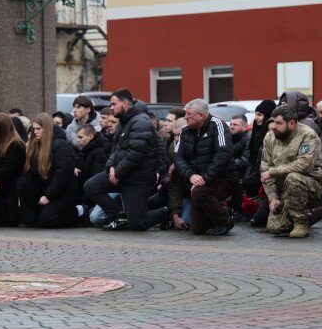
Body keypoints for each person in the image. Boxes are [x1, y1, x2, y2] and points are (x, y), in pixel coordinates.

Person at [84, 89, 167, 231]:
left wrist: (117, 173)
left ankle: (165, 211)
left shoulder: (141, 122)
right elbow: (115, 150)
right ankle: (119, 215)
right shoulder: (123, 122)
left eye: (114, 104)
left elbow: (135, 154)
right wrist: (111, 167)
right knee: (91, 186)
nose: (111, 107)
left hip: (138, 178)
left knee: (137, 224)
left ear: (125, 103)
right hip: (120, 173)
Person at [260, 105, 322, 238]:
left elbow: (304, 165)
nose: (274, 126)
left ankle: (301, 223)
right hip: (284, 188)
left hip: (313, 185)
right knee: (275, 228)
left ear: (292, 123)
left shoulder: (308, 135)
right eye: (274, 122)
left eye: (279, 123)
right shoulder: (270, 137)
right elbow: (265, 169)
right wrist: (273, 198)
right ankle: (310, 215)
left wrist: (273, 171)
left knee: (293, 177)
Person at [174, 99, 236, 235]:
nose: (185, 117)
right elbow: (178, 157)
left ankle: (225, 221)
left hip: (222, 178)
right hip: (197, 180)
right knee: (198, 229)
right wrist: (191, 175)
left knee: (199, 192)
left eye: (188, 114)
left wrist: (204, 178)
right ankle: (224, 211)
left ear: (201, 115)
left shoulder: (217, 125)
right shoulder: (185, 131)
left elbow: (223, 154)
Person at [17, 113, 80, 228]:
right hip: (46, 185)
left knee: (48, 220)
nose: (35, 132)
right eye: (34, 129)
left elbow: (62, 175)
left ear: (46, 129)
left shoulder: (60, 145)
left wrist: (48, 196)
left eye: (38, 129)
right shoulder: (36, 144)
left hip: (63, 191)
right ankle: (31, 219)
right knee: (23, 183)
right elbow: (31, 173)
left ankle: (79, 212)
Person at [75, 124, 106, 202]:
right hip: (85, 187)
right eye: (77, 137)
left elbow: (96, 178)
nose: (77, 140)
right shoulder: (86, 149)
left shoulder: (98, 152)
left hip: (91, 192)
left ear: (91, 136)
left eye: (80, 137)